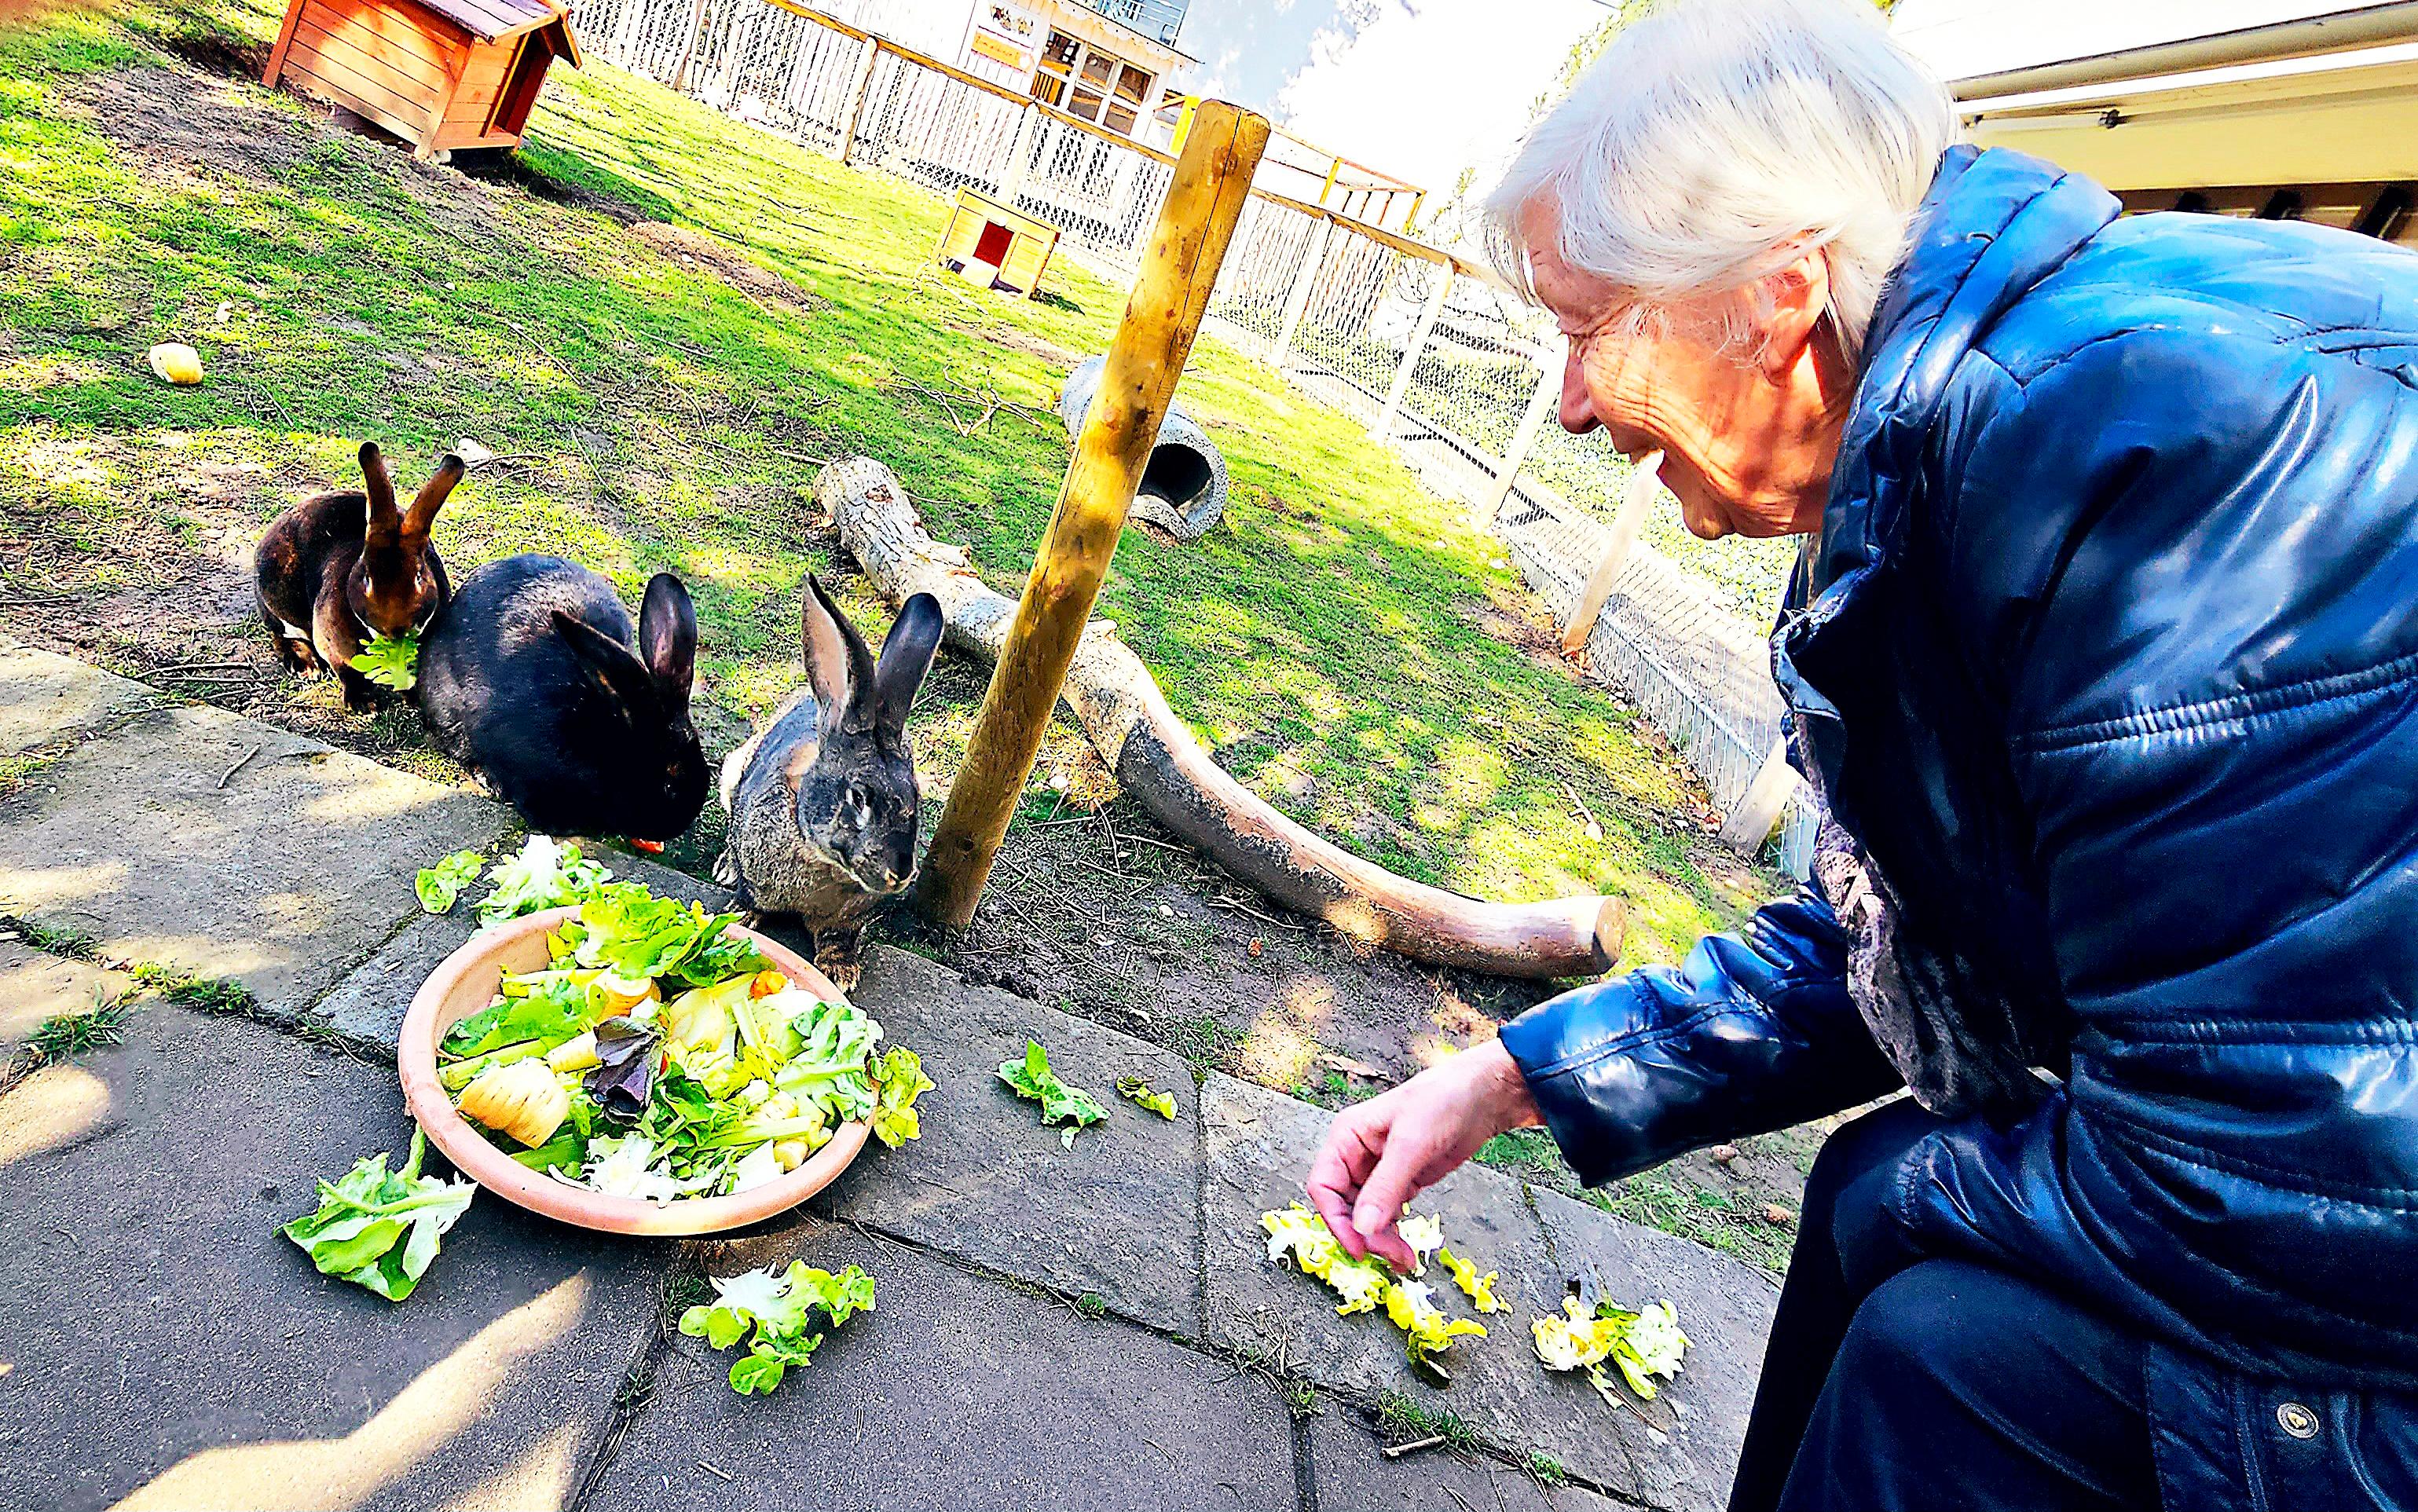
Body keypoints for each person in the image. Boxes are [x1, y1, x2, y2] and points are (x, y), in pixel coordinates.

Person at [1303, 1, 2418, 1507]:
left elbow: (2267, 1168)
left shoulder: (2147, 449)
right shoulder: (1961, 423)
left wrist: (1926, 1198)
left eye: (1586, 331)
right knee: (1868, 1196)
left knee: (1947, 1349)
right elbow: (1907, 947)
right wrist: (1508, 1077)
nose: (1566, 403)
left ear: (1775, 296)